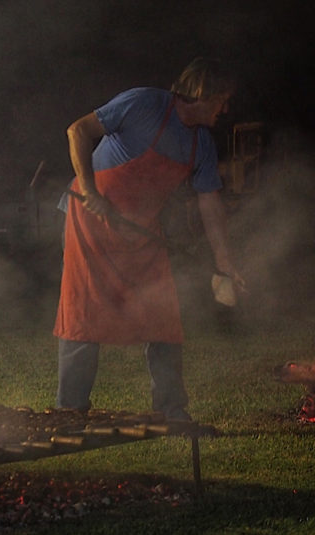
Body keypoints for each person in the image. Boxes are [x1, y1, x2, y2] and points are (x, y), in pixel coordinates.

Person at [54, 57, 245, 421]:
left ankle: (172, 414)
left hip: (140, 232)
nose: (227, 108)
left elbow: (211, 207)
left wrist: (224, 265)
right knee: (82, 312)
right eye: (223, 99)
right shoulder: (144, 103)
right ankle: (70, 414)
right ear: (204, 94)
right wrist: (91, 190)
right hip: (89, 219)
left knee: (164, 317)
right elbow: (77, 131)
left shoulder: (200, 144)